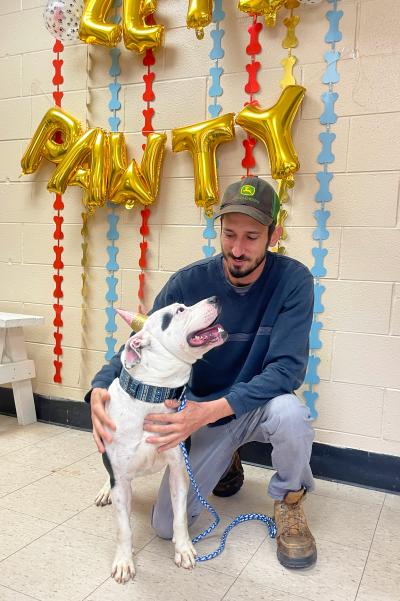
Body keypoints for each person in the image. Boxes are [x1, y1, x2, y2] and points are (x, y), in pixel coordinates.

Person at [87, 175, 317, 569]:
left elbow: (288, 369)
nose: (237, 249)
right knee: (163, 527)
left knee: (292, 414)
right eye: (229, 234)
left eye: (251, 237)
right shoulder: (189, 282)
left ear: (274, 234)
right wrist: (98, 388)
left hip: (253, 406)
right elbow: (142, 340)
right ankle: (226, 458)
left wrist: (209, 412)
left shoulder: (294, 281)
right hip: (203, 415)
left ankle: (290, 500)